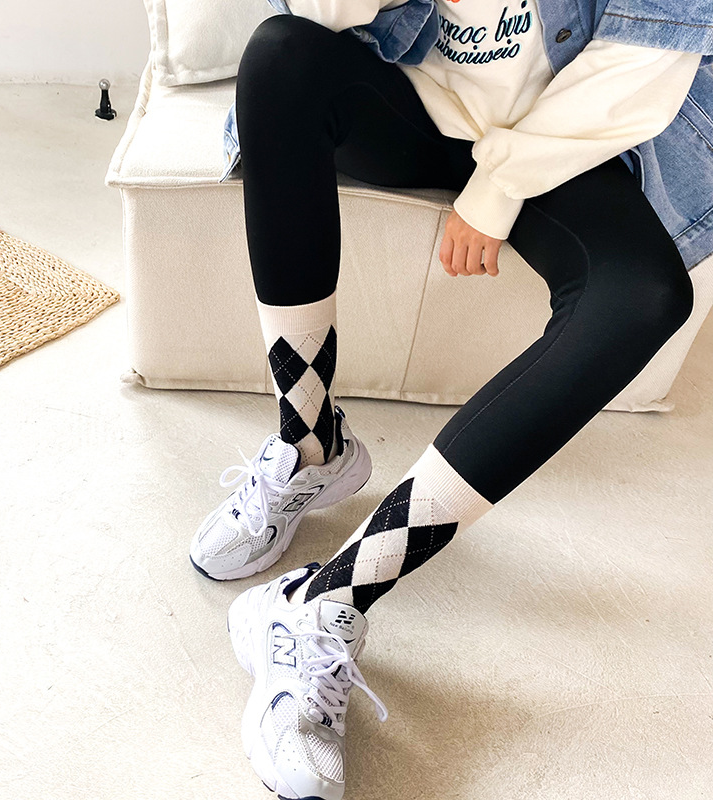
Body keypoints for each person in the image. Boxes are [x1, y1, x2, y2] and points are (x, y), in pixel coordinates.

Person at [190, 2, 709, 798]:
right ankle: (311, 446)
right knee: (281, 54)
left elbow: (643, 67)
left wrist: (497, 188)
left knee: (642, 296)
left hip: (562, 136)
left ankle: (319, 601)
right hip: (416, 99)